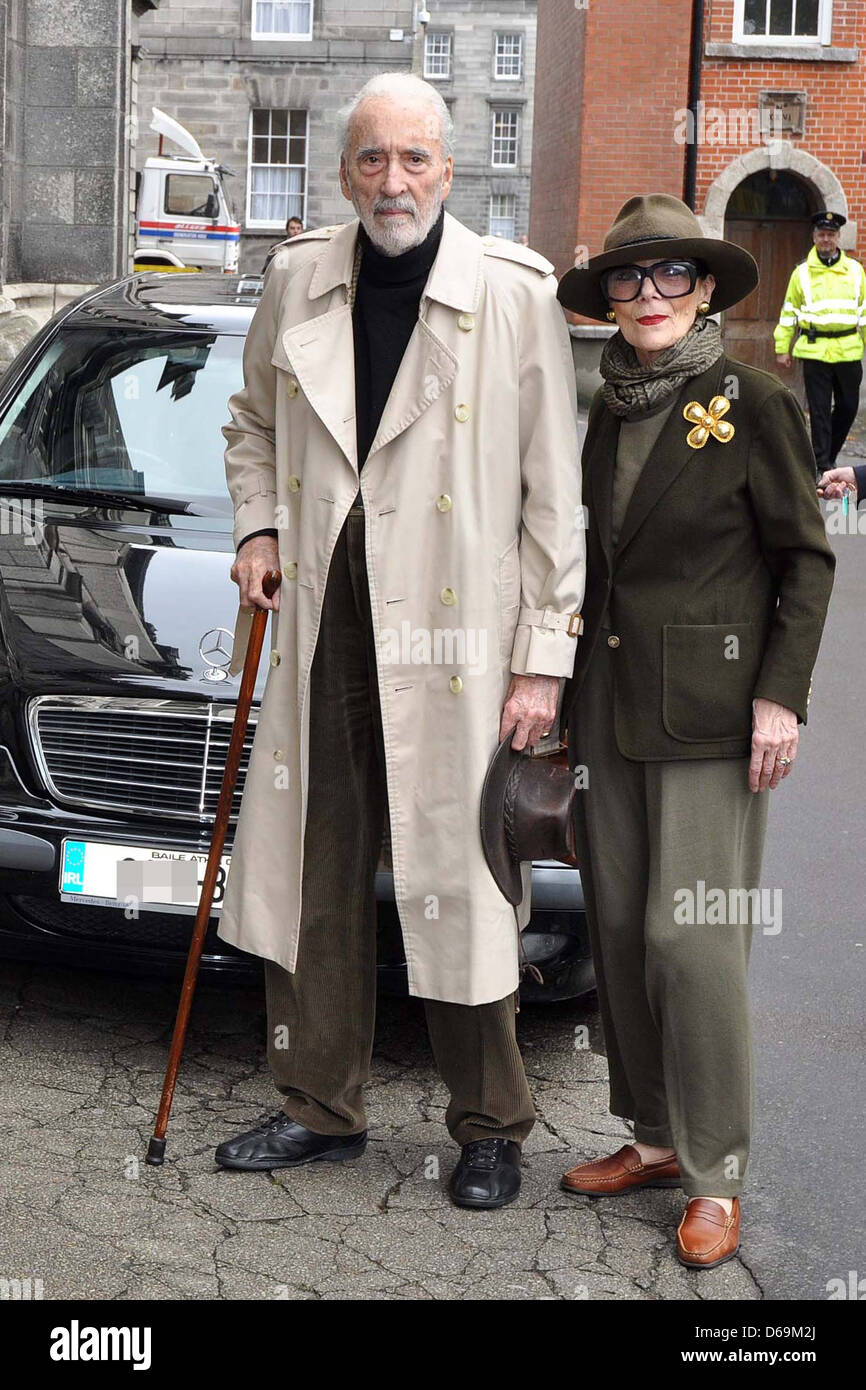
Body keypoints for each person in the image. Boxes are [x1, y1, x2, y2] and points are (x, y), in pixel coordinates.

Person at [214, 73, 585, 1209]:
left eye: (414, 158)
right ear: (344, 172)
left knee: (457, 874)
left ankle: (491, 1124)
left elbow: (554, 497)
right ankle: (317, 1104)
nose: (393, 182)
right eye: (372, 159)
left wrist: (543, 659)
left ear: (447, 170)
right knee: (313, 871)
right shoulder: (296, 279)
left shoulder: (511, 291)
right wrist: (258, 525)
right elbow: (252, 423)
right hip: (326, 609)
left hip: (457, 632)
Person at [556, 194, 835, 1268]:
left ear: (705, 287)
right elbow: (597, 566)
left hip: (715, 716)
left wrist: (780, 695)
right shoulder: (606, 405)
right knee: (624, 932)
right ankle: (656, 1138)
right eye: (628, 278)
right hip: (609, 707)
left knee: (693, 939)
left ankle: (716, 1172)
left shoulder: (754, 401)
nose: (648, 295)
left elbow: (804, 559)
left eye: (671, 274)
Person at [774, 210, 866, 478]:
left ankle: (828, 454)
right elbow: (789, 312)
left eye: (831, 234)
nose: (826, 239)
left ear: (838, 238)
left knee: (848, 407)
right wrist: (782, 347)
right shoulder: (801, 273)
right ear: (814, 237)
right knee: (819, 410)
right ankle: (823, 465)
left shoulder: (855, 271)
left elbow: (864, 311)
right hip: (814, 350)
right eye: (822, 234)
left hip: (848, 349)